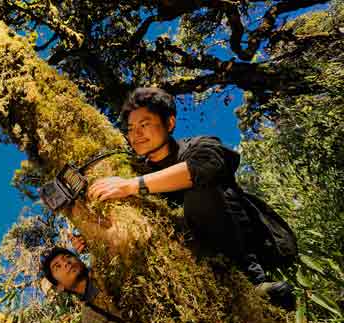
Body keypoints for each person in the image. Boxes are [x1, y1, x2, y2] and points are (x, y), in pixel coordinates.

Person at [87, 87, 295, 309]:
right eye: (131, 128)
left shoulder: (199, 146)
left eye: (144, 124)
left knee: (202, 188)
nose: (136, 134)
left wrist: (131, 186)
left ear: (169, 123)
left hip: (246, 248)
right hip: (190, 260)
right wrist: (94, 233)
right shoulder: (136, 169)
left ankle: (255, 283)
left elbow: (205, 167)